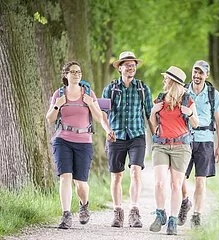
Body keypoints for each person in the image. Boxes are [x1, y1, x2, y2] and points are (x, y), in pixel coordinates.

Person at [46, 61, 103, 229]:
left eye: (79, 72)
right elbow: (49, 119)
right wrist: (58, 104)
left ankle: (84, 204)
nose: (76, 74)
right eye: (73, 72)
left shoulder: (88, 93)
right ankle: (66, 215)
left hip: (84, 141)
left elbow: (99, 118)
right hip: (62, 139)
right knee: (65, 177)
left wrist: (91, 103)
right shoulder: (58, 94)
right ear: (66, 75)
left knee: (81, 182)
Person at [101, 51, 153, 228]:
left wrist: (156, 136)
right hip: (116, 136)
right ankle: (117, 212)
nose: (131, 68)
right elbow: (102, 113)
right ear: (120, 68)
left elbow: (149, 114)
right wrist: (107, 129)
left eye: (134, 65)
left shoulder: (142, 88)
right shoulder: (111, 88)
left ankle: (134, 211)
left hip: (137, 135)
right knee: (116, 176)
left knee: (135, 171)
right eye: (128, 65)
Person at [149, 66, 199, 235]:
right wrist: (152, 113)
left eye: (166, 79)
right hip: (161, 145)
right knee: (159, 182)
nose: (164, 81)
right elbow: (154, 127)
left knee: (176, 184)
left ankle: (172, 220)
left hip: (181, 147)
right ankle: (160, 214)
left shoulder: (187, 100)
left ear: (173, 82)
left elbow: (196, 124)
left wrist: (190, 113)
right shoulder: (160, 99)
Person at [177, 60, 219, 228]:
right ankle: (185, 202)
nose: (197, 76)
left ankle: (197, 215)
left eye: (201, 73)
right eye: (195, 72)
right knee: (179, 178)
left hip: (205, 140)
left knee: (200, 181)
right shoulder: (183, 92)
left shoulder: (213, 94)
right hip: (184, 139)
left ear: (207, 75)